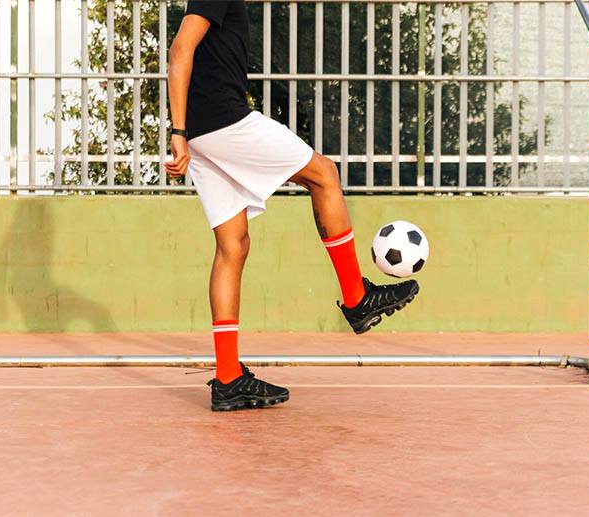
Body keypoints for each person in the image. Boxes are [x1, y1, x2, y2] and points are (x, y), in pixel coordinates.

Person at [165, 0, 419, 412]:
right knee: (324, 174)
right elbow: (180, 50)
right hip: (222, 121)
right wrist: (176, 130)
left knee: (233, 245)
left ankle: (228, 378)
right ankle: (357, 298)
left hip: (203, 131)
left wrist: (185, 131)